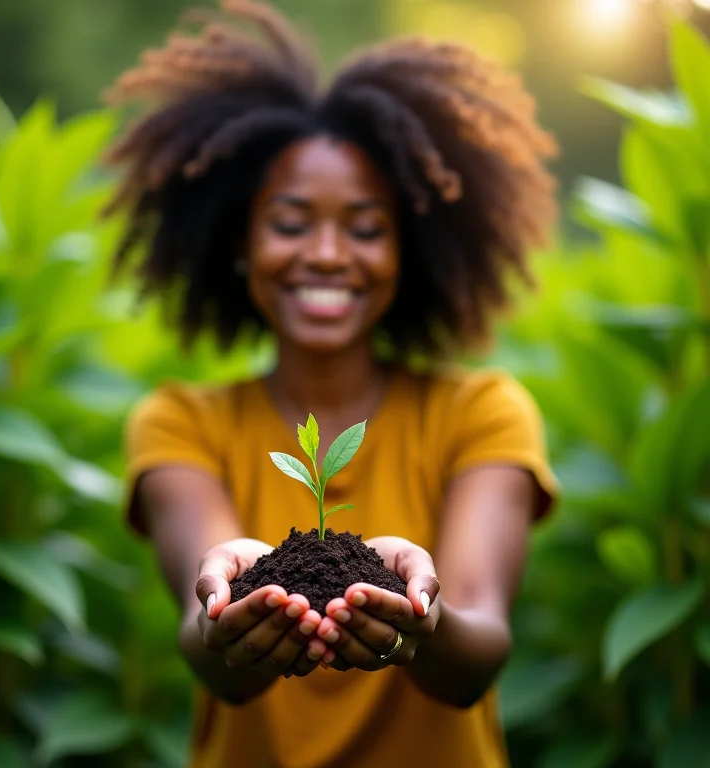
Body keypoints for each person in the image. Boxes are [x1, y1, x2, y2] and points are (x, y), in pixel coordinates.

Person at [105, 1, 559, 765]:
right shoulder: (179, 423)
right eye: (289, 222)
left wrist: (425, 618)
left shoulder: (482, 412)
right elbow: (208, 648)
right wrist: (230, 611)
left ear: (409, 249)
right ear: (238, 241)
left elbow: (477, 650)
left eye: (365, 226)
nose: (325, 253)